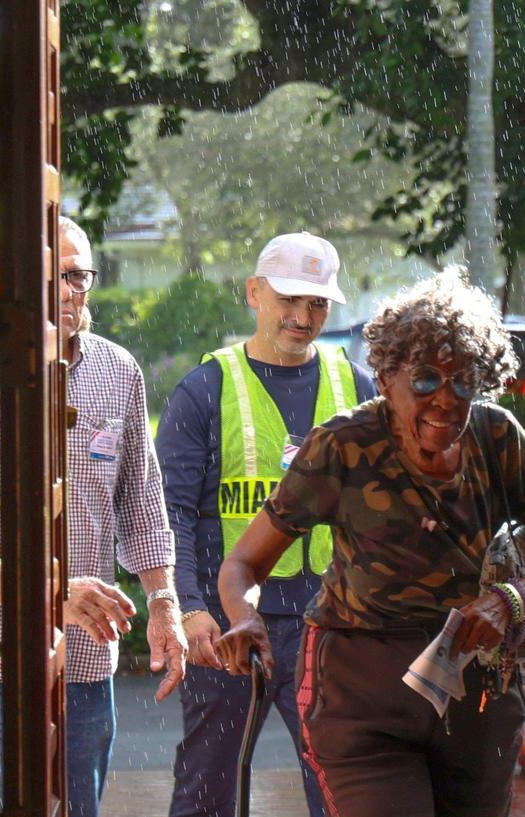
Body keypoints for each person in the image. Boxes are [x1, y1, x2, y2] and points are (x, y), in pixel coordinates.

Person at [216, 269, 525, 817]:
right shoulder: (342, 447)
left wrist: (510, 600)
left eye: (464, 382)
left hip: (475, 688)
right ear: (387, 374)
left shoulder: (497, 436)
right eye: (425, 380)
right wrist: (243, 617)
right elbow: (244, 564)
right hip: (360, 689)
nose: (446, 401)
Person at [159, 231, 376, 817]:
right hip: (229, 628)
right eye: (288, 299)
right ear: (254, 293)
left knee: (343, 788)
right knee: (209, 789)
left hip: (330, 629)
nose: (302, 317)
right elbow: (169, 513)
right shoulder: (205, 390)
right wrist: (190, 607)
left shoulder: (355, 387)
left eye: (317, 304)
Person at [0, 215, 188, 817]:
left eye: (79, 276)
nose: (69, 291)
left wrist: (164, 605)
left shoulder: (116, 370)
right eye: (52, 277)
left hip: (86, 664)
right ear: (3, 282)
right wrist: (46, 593)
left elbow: (142, 502)